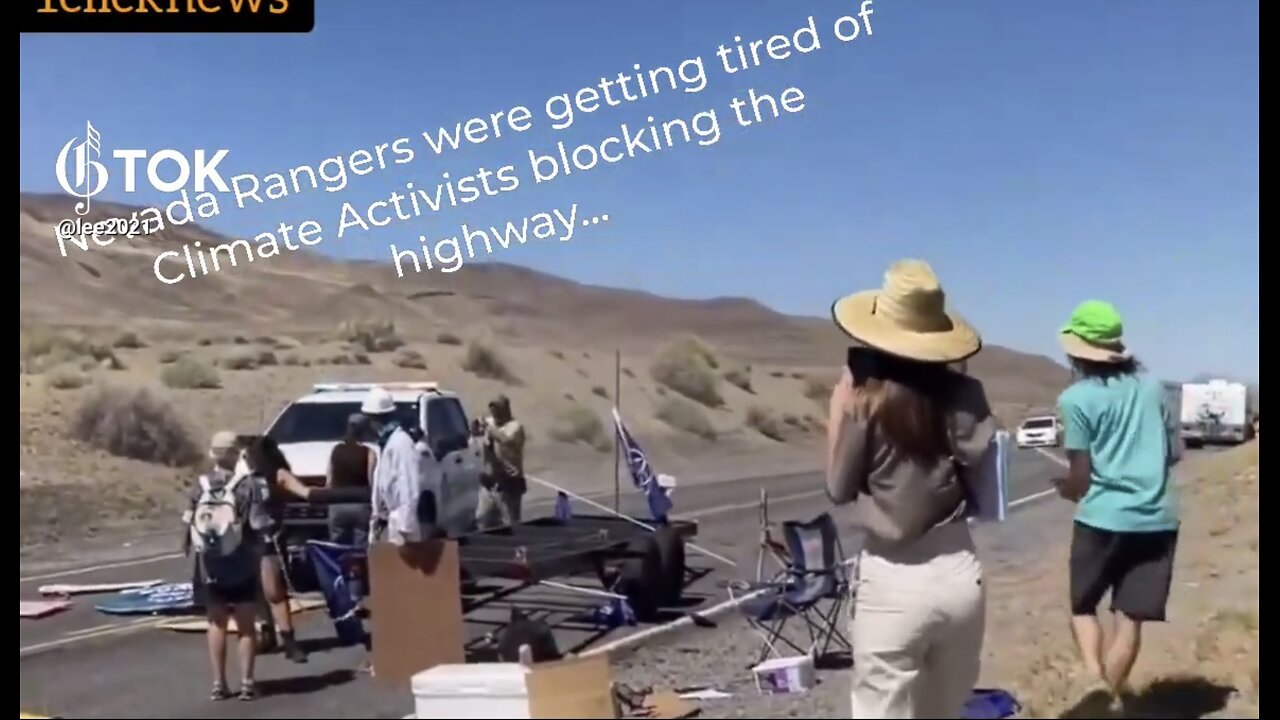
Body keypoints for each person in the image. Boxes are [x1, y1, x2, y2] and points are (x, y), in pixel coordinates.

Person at [824, 259, 996, 718]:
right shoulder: (967, 397)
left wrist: (840, 412)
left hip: (891, 579)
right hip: (959, 572)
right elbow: (982, 473)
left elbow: (837, 487)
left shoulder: (868, 398)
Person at [1053, 300, 1181, 712]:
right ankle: (1110, 694)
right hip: (1157, 518)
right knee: (1130, 617)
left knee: (1082, 606)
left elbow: (1081, 475)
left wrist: (1067, 489)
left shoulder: (1076, 400)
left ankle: (1096, 684)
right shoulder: (1154, 387)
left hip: (1102, 518)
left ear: (1077, 352)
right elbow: (1173, 451)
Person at [184, 430, 270, 702]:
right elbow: (257, 523)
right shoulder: (248, 485)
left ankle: (219, 683)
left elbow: (188, 520)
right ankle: (247, 682)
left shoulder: (200, 485)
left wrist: (189, 546)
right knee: (246, 626)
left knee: (216, 622)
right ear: (236, 454)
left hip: (209, 563)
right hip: (242, 561)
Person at [241, 435, 313, 664]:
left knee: (274, 591)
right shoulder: (246, 480)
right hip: (247, 539)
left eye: (248, 455)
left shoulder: (278, 475)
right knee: (255, 591)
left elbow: (304, 492)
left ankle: (290, 641)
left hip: (268, 539)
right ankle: (268, 633)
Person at [364, 386, 428, 544]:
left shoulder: (401, 443)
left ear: (374, 419)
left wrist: (406, 527)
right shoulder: (385, 443)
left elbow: (409, 484)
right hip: (386, 523)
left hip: (400, 527)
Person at [475, 395, 527, 529]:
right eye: (492, 409)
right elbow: (475, 431)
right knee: (482, 520)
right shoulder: (490, 423)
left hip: (509, 484)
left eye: (497, 409)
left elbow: (507, 440)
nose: (494, 412)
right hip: (489, 483)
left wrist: (491, 431)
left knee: (510, 523)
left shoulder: (515, 427)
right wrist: (476, 425)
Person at [327, 413, 377, 547]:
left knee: (337, 547)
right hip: (360, 505)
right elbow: (372, 481)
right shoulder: (369, 453)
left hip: (338, 505)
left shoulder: (336, 450)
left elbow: (329, 481)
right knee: (360, 548)